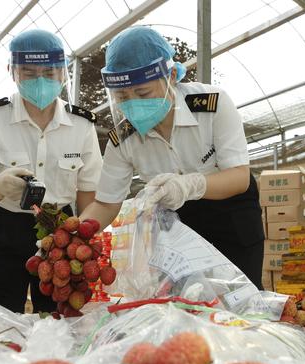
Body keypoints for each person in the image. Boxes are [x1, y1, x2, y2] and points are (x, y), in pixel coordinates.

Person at [80, 27, 264, 288]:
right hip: (178, 221)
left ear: (171, 76)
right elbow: (106, 204)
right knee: (188, 298)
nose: (133, 103)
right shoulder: (123, 140)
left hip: (232, 211)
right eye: (122, 97)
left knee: (241, 295)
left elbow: (238, 177)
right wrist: (75, 233)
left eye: (143, 94)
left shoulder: (212, 105)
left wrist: (191, 184)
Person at [0, 29, 102, 313]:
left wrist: (81, 241)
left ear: (63, 73)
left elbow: (88, 191)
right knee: (2, 316)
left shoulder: (81, 125)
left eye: (49, 73)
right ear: (12, 72)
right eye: (29, 72)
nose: (40, 80)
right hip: (5, 229)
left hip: (62, 230)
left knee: (60, 318)